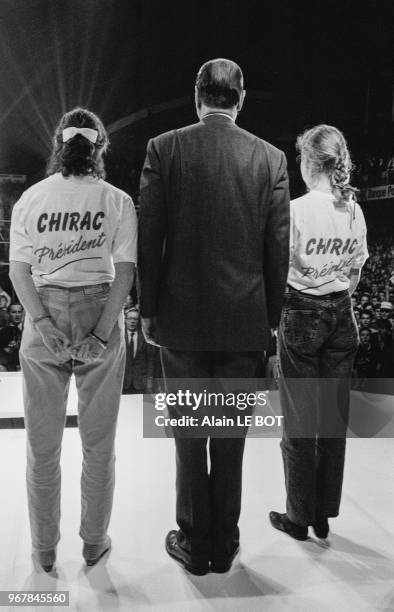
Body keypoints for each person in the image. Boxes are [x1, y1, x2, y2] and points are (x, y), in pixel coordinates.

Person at [139, 58, 290, 574]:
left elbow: (150, 236)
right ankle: (224, 543)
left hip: (179, 322)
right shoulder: (270, 159)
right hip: (244, 322)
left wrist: (149, 310)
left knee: (188, 436)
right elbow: (278, 248)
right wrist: (270, 318)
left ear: (197, 95)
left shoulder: (165, 148)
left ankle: (193, 540)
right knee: (229, 439)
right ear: (240, 99)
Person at [9, 107, 137, 572]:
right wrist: (102, 333)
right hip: (98, 308)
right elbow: (125, 271)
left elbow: (18, 271)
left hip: (43, 306)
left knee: (42, 448)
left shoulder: (31, 198)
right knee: (98, 445)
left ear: (59, 147)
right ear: (99, 147)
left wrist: (42, 324)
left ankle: (44, 549)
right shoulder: (117, 200)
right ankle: (93, 543)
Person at [270, 124, 368, 540]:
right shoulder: (354, 209)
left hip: (301, 315)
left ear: (308, 163)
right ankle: (324, 513)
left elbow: (278, 271)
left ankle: (298, 516)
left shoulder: (297, 209)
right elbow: (357, 268)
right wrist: (336, 296)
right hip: (342, 315)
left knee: (299, 422)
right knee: (331, 422)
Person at [122, 307, 155, 394]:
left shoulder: (145, 338)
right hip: (123, 382)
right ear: (125, 320)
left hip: (140, 383)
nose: (132, 321)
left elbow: (150, 360)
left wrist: (150, 379)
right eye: (130, 318)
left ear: (139, 321)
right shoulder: (119, 338)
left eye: (135, 319)